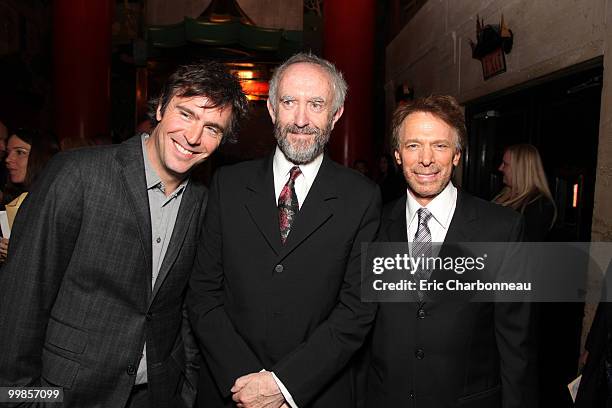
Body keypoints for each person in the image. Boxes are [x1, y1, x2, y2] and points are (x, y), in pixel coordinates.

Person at [0, 62, 248, 408]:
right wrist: (19, 398)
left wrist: (185, 392)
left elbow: (187, 308)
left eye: (212, 128)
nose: (193, 137)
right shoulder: (78, 175)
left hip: (156, 395)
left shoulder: (203, 202)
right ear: (160, 108)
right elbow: (23, 295)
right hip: (65, 394)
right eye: (186, 114)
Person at [187, 53, 381, 408]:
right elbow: (202, 294)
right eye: (290, 102)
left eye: (316, 104)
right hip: (229, 390)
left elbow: (356, 311)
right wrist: (248, 384)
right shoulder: (227, 184)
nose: (302, 120)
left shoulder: (362, 197)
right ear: (273, 110)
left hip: (315, 393)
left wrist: (284, 385)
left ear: (336, 114)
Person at [365, 95, 537, 407]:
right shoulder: (371, 227)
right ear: (397, 154)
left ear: (457, 155)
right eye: (413, 145)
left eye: (440, 146)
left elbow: (516, 345)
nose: (426, 159)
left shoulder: (502, 230)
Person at [0, 128, 59, 261]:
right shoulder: (11, 199)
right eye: (8, 153)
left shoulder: (55, 201)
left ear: (43, 156)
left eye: (20, 152)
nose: (8, 159)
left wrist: (21, 253)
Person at [494, 143, 556, 241]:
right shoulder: (505, 194)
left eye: (505, 164)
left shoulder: (539, 205)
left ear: (520, 169)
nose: (500, 168)